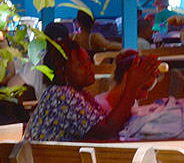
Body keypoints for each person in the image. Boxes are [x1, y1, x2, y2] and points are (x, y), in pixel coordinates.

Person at [25, 39, 159, 141]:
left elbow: (110, 125)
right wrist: (132, 84)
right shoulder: (60, 95)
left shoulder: (80, 95)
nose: (89, 66)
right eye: (82, 64)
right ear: (63, 71)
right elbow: (106, 131)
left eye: (88, 61)